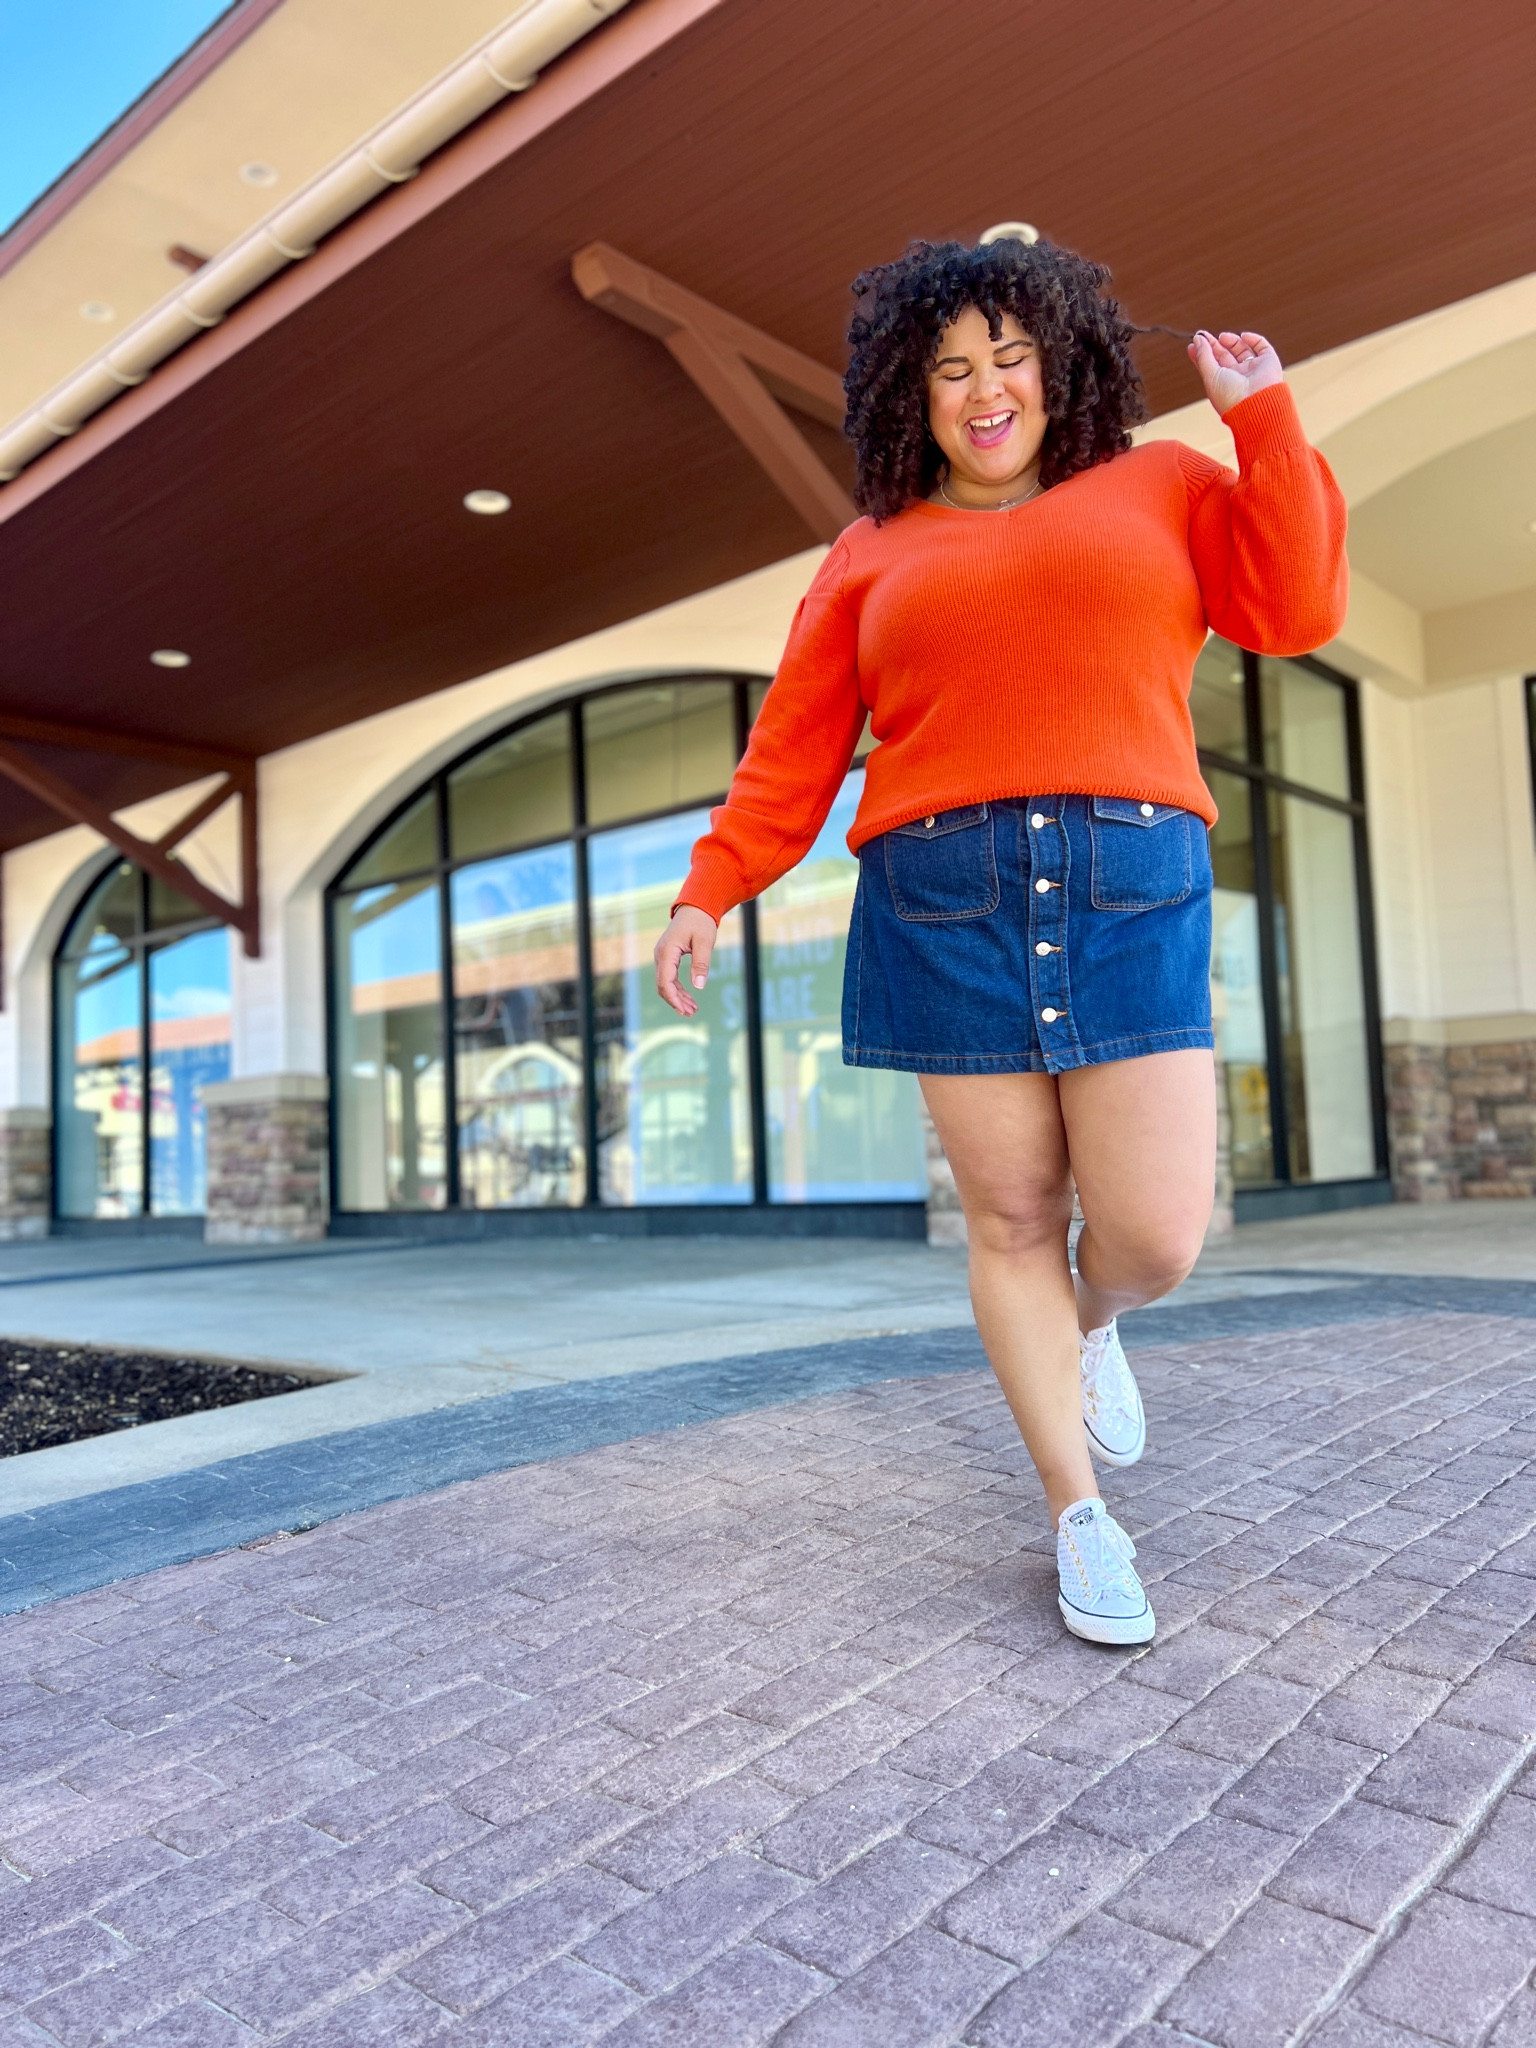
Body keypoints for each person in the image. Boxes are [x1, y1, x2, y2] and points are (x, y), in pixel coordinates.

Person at [652, 235, 1346, 1646]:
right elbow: (794, 750)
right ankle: (1079, 1516)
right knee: (1013, 1218)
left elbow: (1296, 607)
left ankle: (1094, 1322)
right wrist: (708, 889)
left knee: (1154, 1234)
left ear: (1060, 364)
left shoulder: (1162, 483)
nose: (985, 391)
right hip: (941, 895)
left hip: (1130, 879)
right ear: (910, 396)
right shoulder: (870, 553)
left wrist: (1263, 423)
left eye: (1011, 358)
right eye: (951, 369)